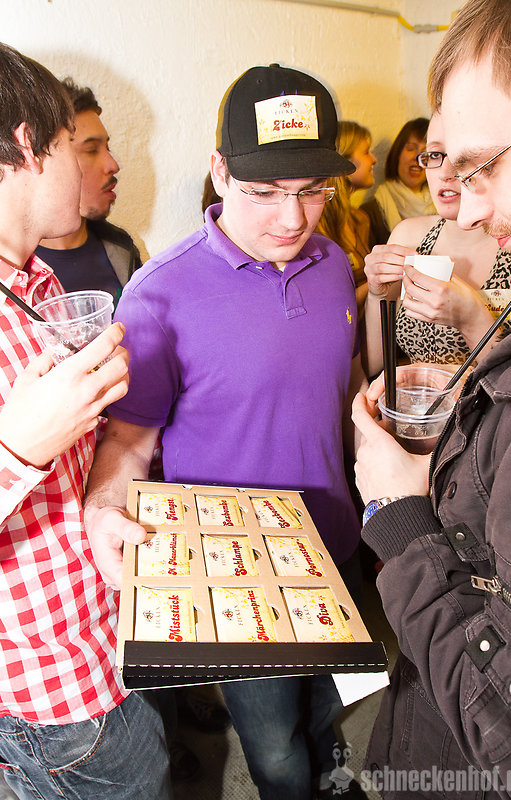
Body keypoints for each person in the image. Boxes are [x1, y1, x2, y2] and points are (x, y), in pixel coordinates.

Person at [83, 63, 368, 800]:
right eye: (264, 191)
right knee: (274, 750)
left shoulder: (333, 263)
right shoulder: (160, 294)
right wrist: (104, 507)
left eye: (312, 190)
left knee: (329, 704)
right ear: (219, 171)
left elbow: (339, 392)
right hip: (240, 581)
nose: (292, 218)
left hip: (336, 547)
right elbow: (128, 443)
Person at [353, 0, 511, 796]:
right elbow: (388, 361)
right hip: (429, 444)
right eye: (438, 161)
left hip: (458, 475)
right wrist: (377, 299)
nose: (457, 186)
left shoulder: (507, 250)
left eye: (477, 163)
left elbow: (503, 356)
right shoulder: (412, 237)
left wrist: (464, 312)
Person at [0, 42, 171, 800]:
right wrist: (18, 445)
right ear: (32, 145)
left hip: (100, 636)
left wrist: (98, 507)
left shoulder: (33, 277)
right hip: (52, 700)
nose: (99, 166)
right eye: (78, 145)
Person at [362, 111, 511, 376]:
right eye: (434, 155)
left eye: (460, 156)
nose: (445, 173)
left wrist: (472, 320)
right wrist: (376, 295)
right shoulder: (409, 236)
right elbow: (373, 364)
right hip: (416, 402)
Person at [35, 79, 141, 306]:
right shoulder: (13, 270)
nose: (112, 165)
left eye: (107, 148)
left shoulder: (122, 252)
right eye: (91, 150)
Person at [316, 121, 375, 311]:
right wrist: (378, 282)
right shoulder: (315, 227)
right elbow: (331, 309)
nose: (374, 159)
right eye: (366, 152)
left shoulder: (361, 220)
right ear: (344, 161)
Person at [361, 117, 435, 247]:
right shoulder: (371, 213)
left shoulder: (444, 208)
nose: (417, 157)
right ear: (397, 154)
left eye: (426, 152)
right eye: (410, 148)